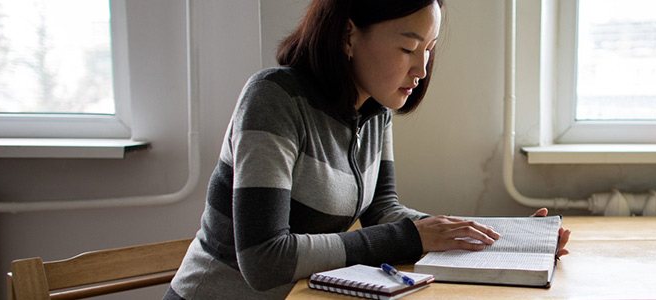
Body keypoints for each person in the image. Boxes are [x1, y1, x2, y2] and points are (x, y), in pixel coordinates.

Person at [164, 1, 569, 299]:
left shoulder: (373, 110)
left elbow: (385, 212)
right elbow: (264, 258)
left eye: (429, 48)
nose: (422, 69)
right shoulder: (273, 99)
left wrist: (500, 238)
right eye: (408, 48)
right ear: (348, 36)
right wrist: (410, 237)